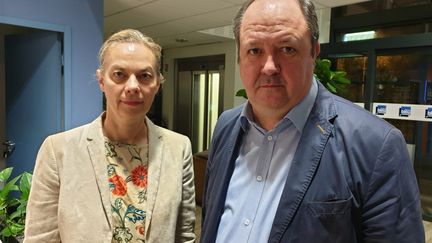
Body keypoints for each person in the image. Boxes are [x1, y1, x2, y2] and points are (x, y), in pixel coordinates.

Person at [200, 0, 425, 242]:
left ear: (314, 53)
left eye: (287, 49)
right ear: (239, 57)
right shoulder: (226, 126)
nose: (269, 67)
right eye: (254, 50)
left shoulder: (377, 145)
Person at [24, 29, 196, 243]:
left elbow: (184, 235)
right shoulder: (58, 151)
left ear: (157, 84)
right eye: (119, 74)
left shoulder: (178, 148)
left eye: (144, 76)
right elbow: (40, 238)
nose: (133, 86)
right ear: (101, 81)